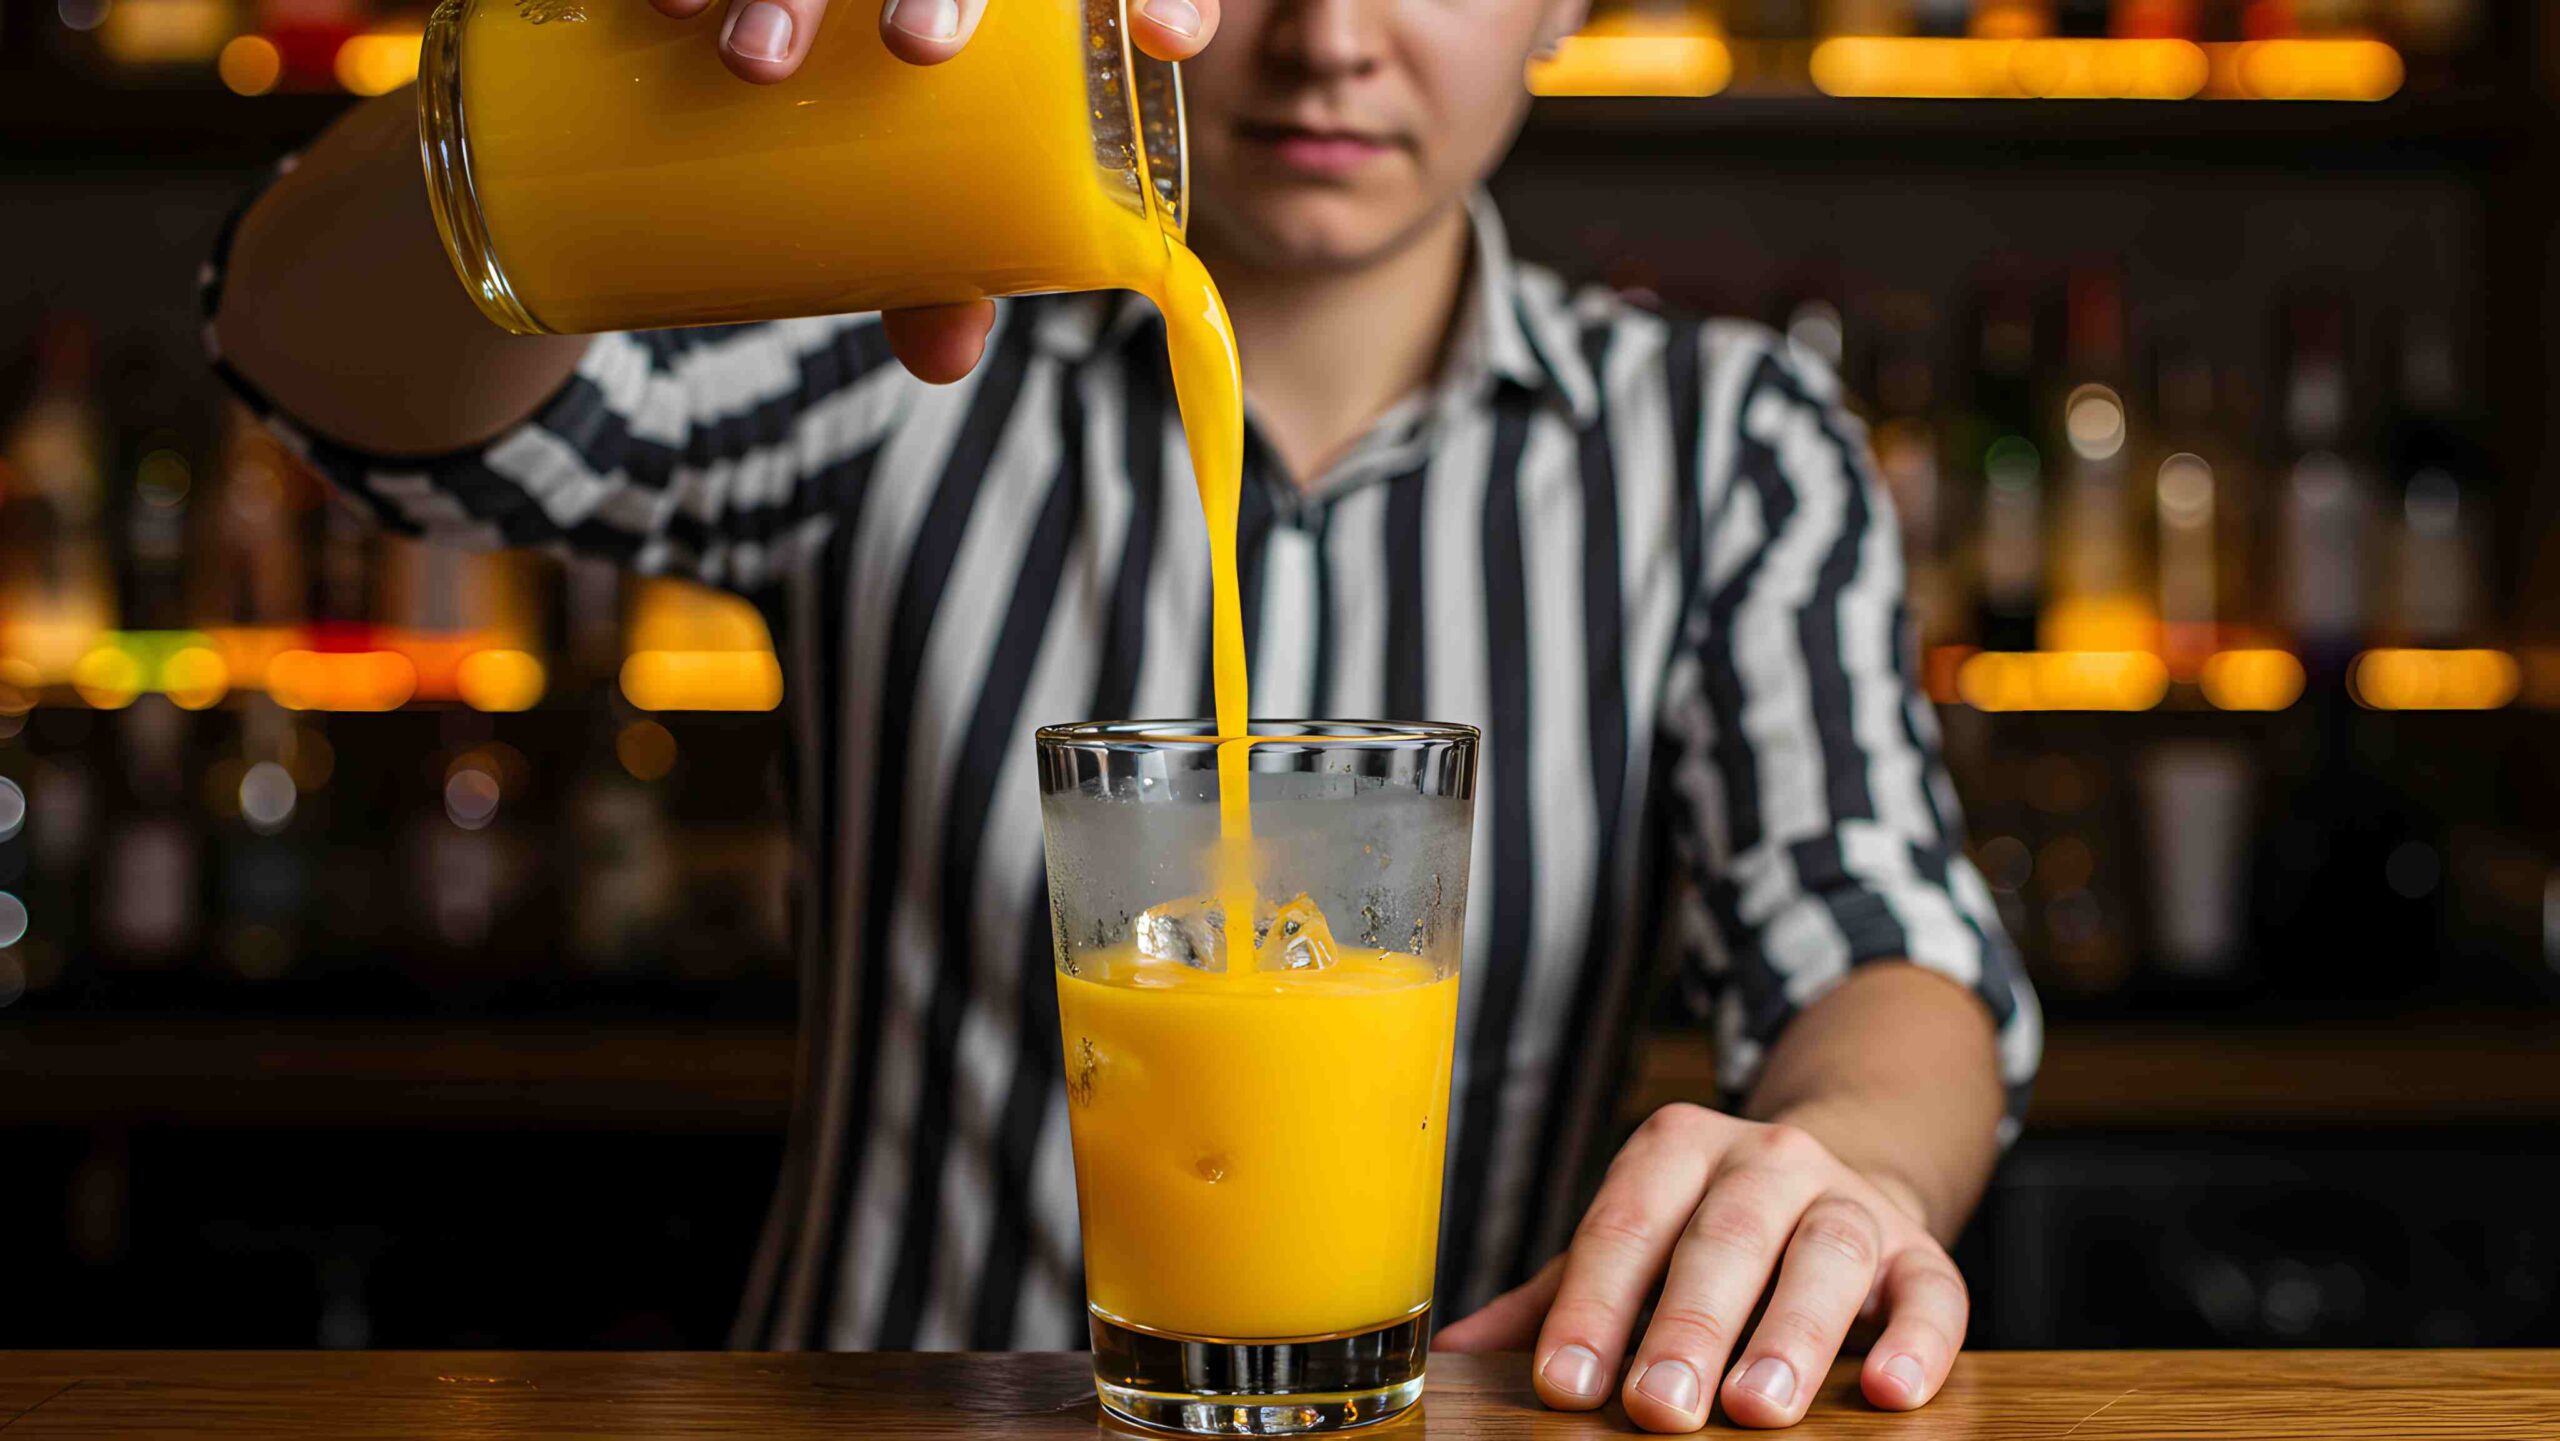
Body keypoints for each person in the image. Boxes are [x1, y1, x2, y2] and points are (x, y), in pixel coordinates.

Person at [207, 0, 2040, 1430]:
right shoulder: (887, 343)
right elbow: (338, 394)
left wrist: (1848, 1169)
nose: (1332, 38)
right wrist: (580, 89)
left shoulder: (1722, 451)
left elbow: (1875, 941)